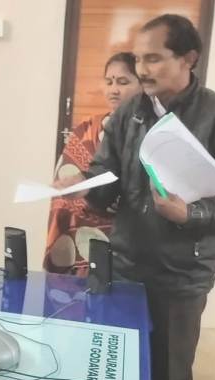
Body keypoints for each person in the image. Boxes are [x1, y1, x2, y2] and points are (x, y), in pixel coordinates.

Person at [54, 15, 215, 380]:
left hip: (181, 275)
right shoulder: (130, 112)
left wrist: (190, 213)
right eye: (138, 59)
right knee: (114, 368)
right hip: (123, 264)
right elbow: (106, 178)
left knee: (168, 378)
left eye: (153, 58)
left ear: (189, 58)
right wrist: (84, 184)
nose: (142, 69)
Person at [44, 52, 141, 274]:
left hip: (131, 244)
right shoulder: (86, 130)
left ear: (143, 85)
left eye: (123, 82)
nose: (113, 89)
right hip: (80, 235)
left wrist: (119, 200)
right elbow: (65, 186)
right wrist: (84, 193)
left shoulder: (148, 132)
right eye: (109, 82)